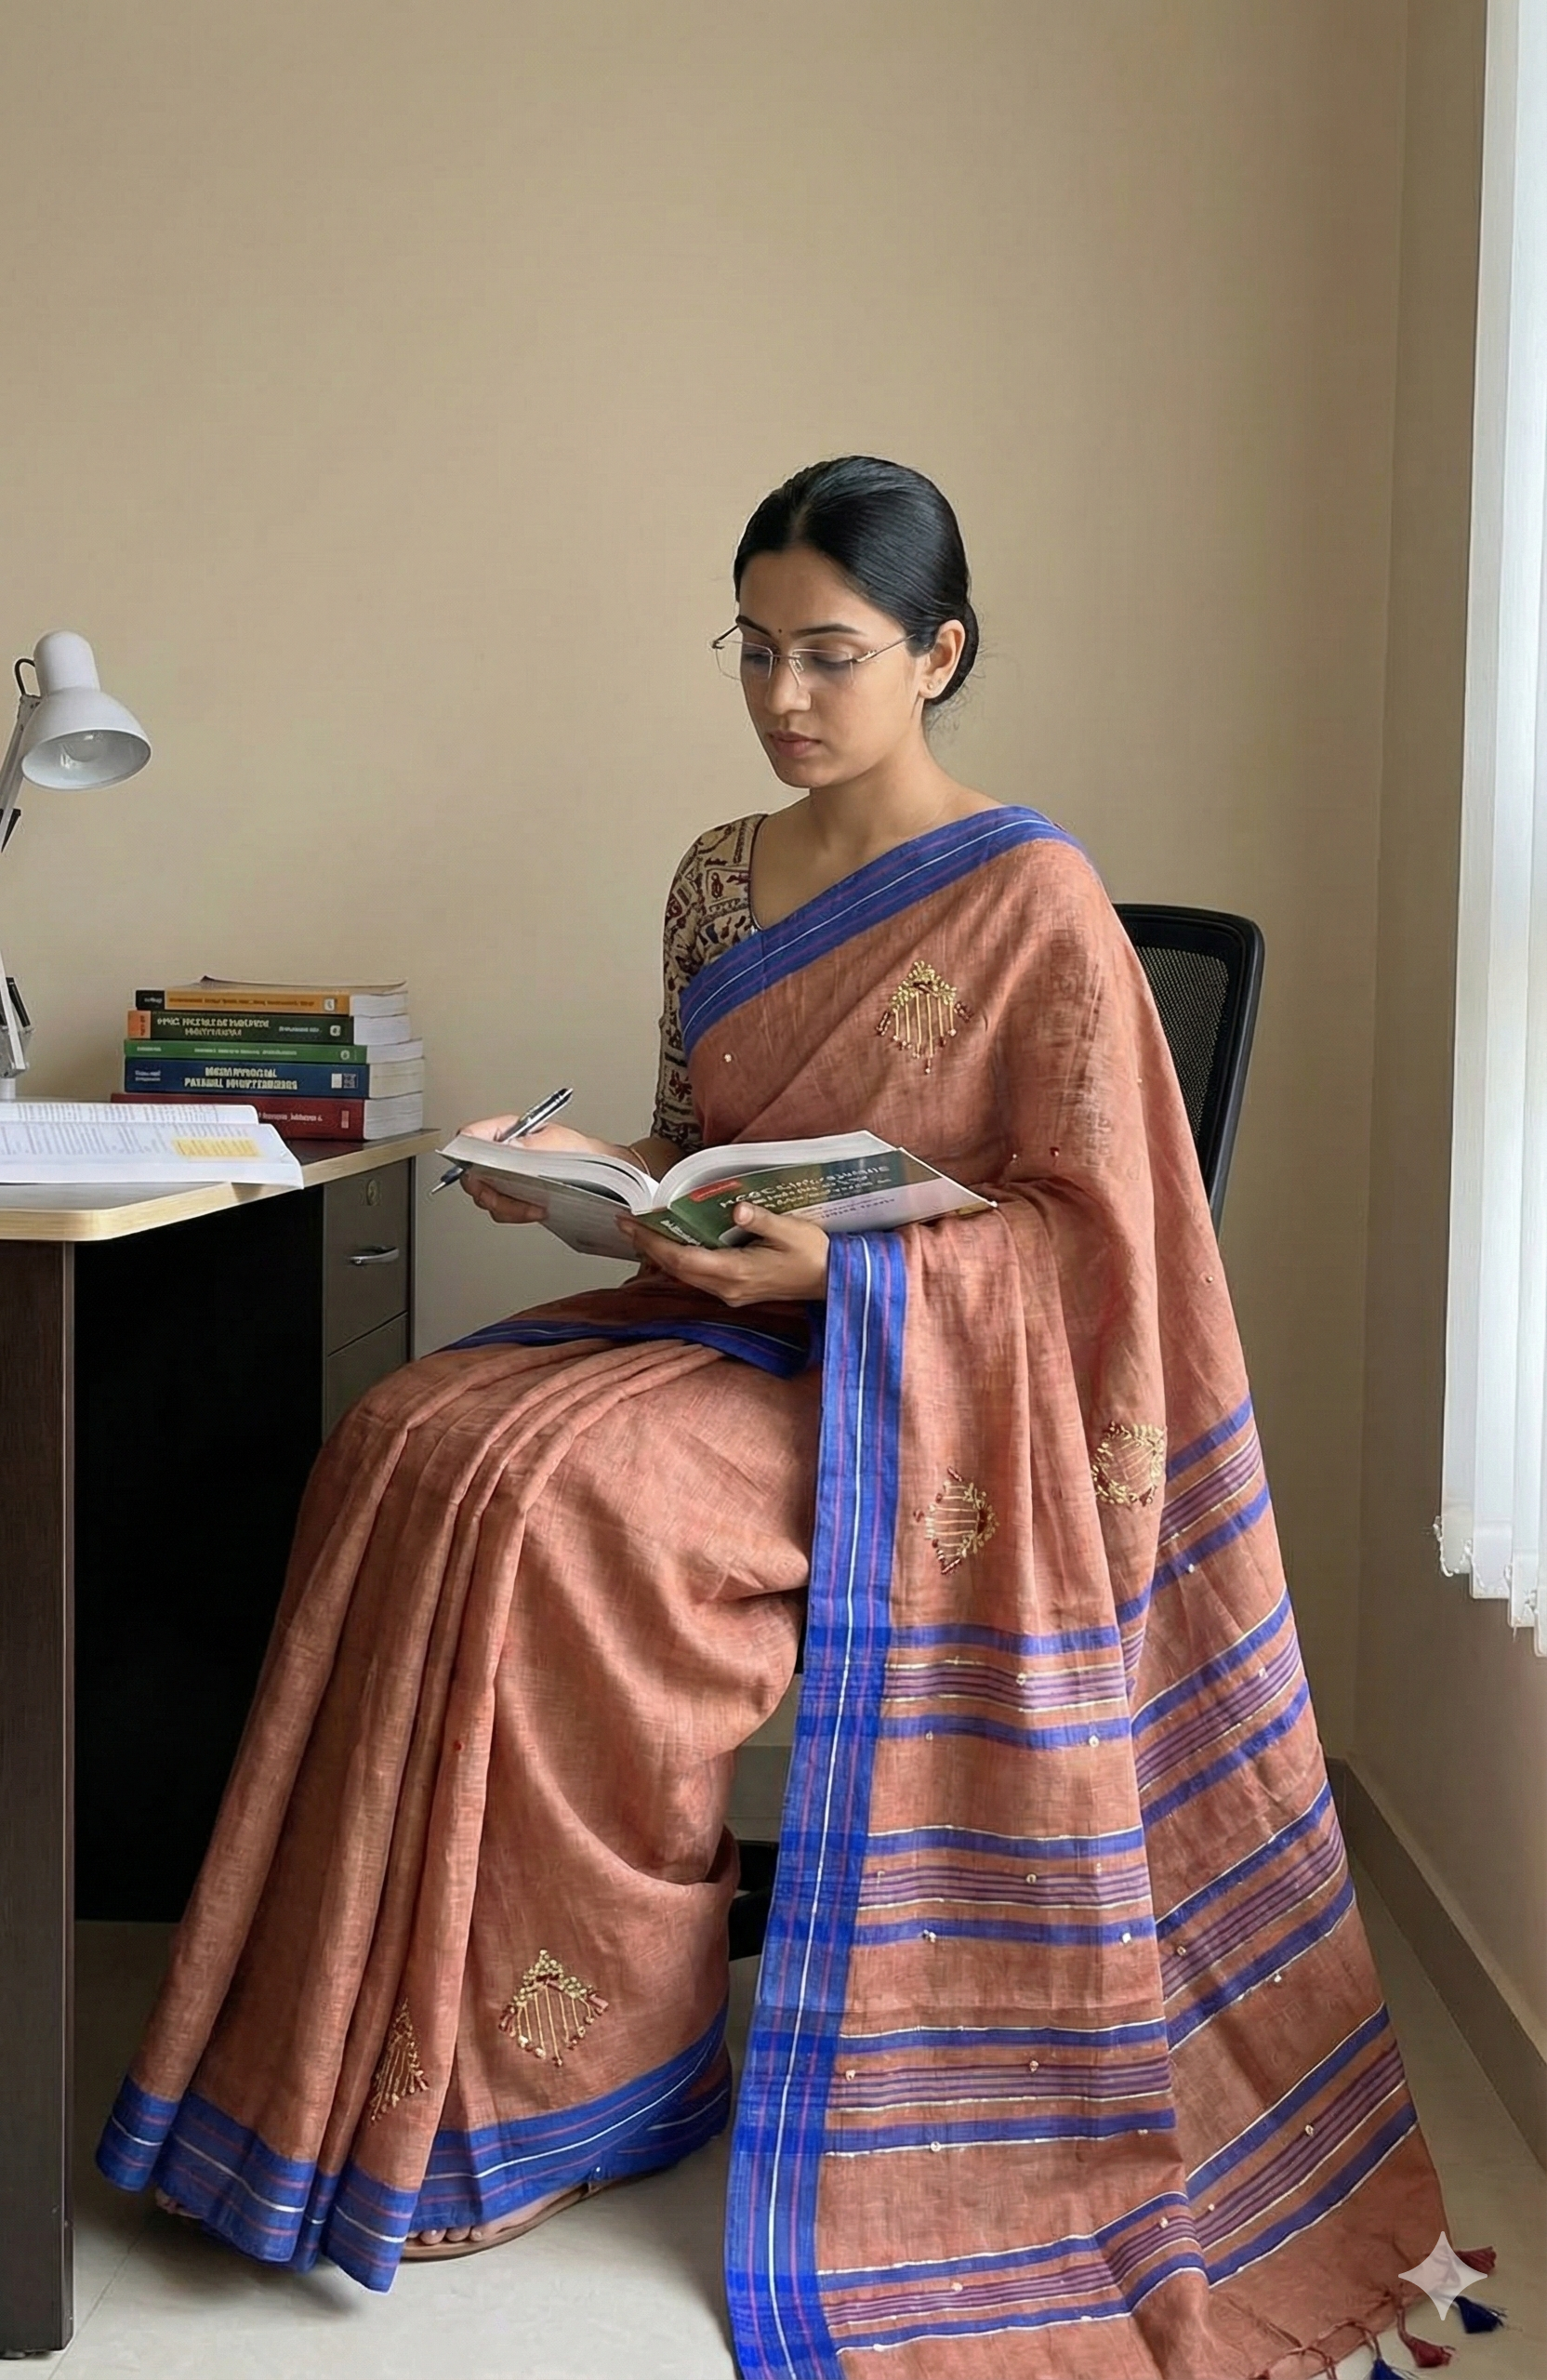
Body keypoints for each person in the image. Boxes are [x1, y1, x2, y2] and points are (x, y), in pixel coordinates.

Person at [99, 458, 1454, 2378]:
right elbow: (694, 1141)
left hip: (909, 1394)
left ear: (938, 654)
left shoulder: (1033, 895)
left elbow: (1096, 1239)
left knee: (562, 1499)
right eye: (755, 650)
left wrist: (836, 1280)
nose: (784, 695)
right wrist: (577, 1170)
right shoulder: (717, 875)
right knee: (414, 1428)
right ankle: (359, 2039)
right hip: (702, 1316)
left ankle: (595, 2067)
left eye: (832, 654)